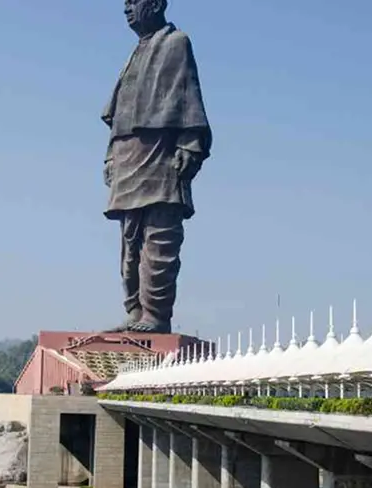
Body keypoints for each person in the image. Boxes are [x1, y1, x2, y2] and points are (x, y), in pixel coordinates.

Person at [102, 0, 212, 334]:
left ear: (156, 4)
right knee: (130, 242)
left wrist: (190, 144)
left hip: (160, 153)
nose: (127, 9)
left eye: (133, 2)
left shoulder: (175, 43)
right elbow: (118, 113)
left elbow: (188, 97)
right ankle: (135, 309)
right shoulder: (134, 52)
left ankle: (156, 314)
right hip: (127, 155)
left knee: (159, 238)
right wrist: (110, 156)